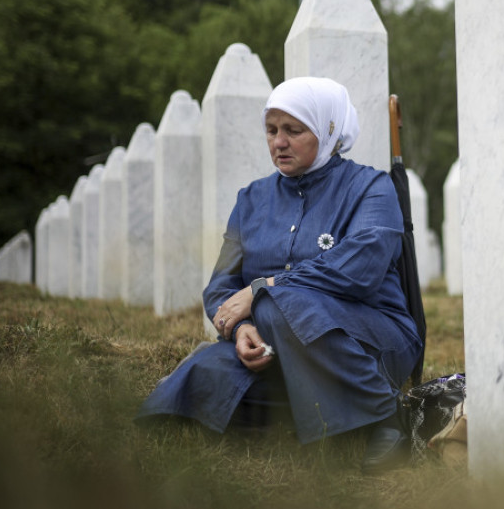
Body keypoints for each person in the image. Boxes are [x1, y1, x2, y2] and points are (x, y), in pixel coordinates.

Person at [137, 76, 422, 474]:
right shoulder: (251, 198)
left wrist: (263, 290)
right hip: (278, 342)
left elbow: (362, 269)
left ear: (328, 131)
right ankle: (321, 417)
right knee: (208, 369)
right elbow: (221, 286)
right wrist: (240, 331)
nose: (278, 142)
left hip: (370, 338)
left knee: (277, 304)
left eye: (293, 130)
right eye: (271, 130)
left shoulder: (370, 187)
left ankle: (384, 417)